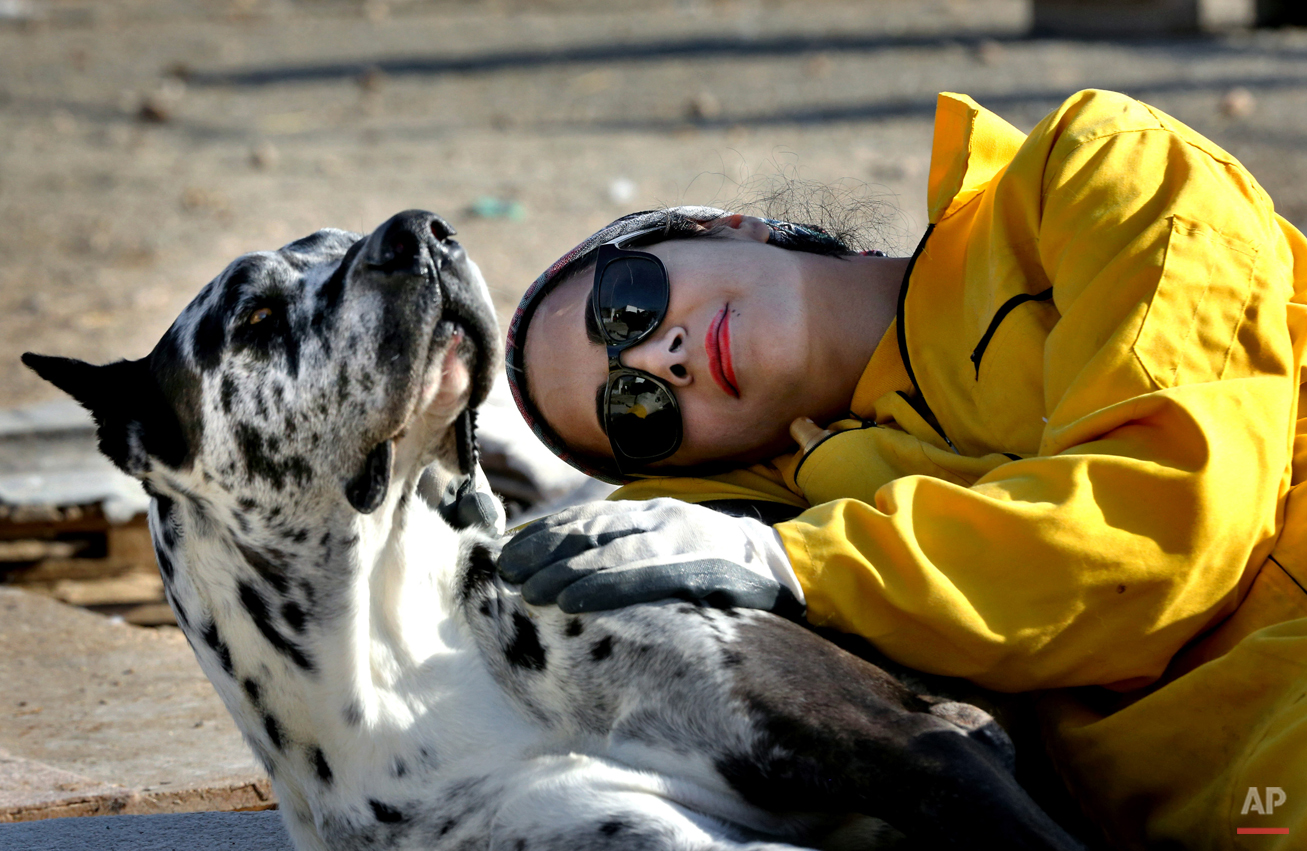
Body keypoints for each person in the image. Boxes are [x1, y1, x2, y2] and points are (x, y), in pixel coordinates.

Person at [499, 89, 1307, 850]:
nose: (656, 359)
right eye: (634, 412)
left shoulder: (1096, 167)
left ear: (730, 227)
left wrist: (800, 562)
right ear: (689, 470)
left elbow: (1167, 526)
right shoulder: (768, 536)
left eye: (627, 304)